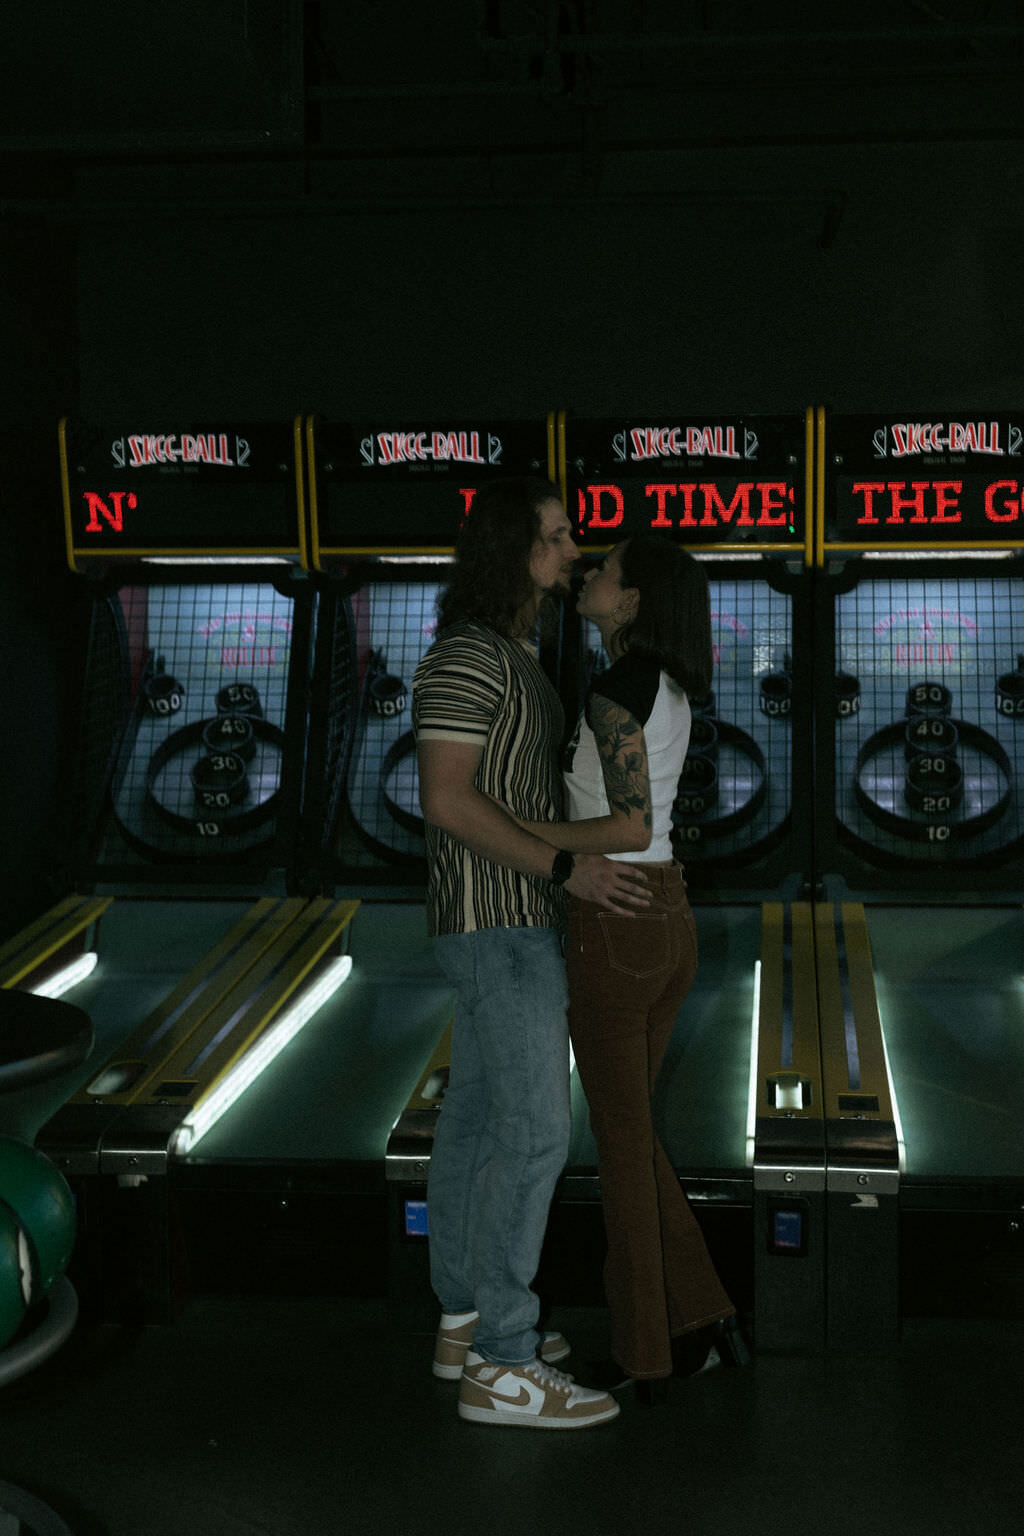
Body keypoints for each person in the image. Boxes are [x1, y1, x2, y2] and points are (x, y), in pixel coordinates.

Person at [412, 476, 648, 1430]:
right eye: (555, 536)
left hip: (505, 922)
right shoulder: (468, 656)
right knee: (537, 1135)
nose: (572, 548)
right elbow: (448, 800)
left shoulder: (509, 652)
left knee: (474, 1129)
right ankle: (504, 1365)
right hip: (497, 925)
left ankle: (465, 1322)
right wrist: (565, 868)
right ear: (512, 551)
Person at [504, 532, 736, 1404]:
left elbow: (628, 826)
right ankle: (703, 1321)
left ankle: (649, 1354)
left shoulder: (615, 691)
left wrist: (519, 837)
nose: (587, 576)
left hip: (615, 921)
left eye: (602, 572)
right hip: (665, 918)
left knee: (621, 1147)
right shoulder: (664, 687)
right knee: (634, 1135)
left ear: (632, 600)